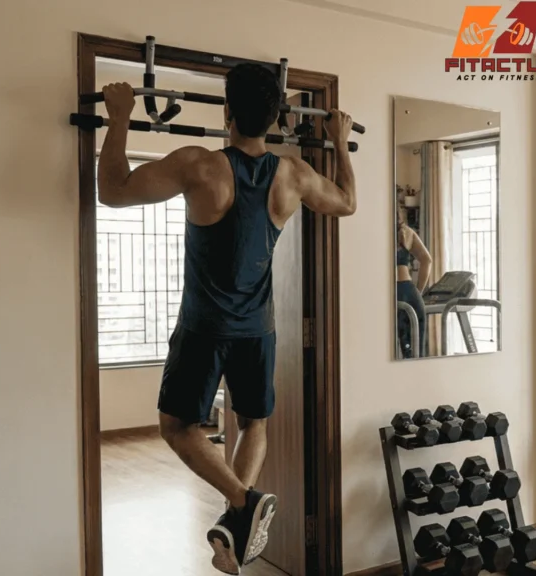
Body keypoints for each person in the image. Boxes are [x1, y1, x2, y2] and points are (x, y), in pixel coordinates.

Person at [97, 63, 356, 574]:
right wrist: (340, 144)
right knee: (253, 421)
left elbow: (114, 190)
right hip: (258, 329)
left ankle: (242, 501)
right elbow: (346, 203)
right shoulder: (294, 175)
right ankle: (236, 528)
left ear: (227, 112)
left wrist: (121, 117)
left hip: (204, 326)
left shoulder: (200, 165)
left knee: (176, 427)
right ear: (276, 117)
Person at [395, 195, 432, 358]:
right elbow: (427, 260)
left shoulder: (378, 233)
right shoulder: (407, 232)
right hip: (410, 292)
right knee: (414, 355)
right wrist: (418, 291)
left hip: (393, 293)